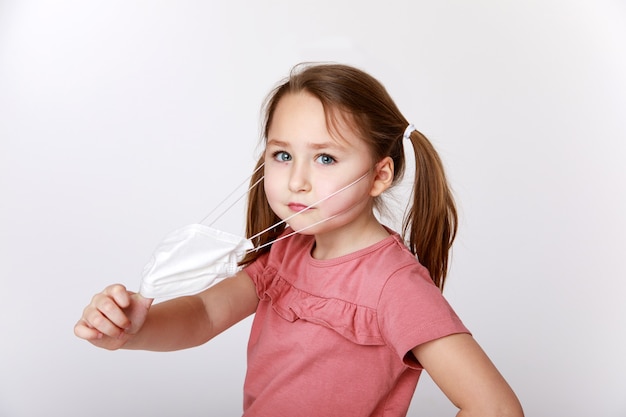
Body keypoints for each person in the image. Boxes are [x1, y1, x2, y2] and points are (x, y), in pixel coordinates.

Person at [74, 63, 524, 416]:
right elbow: (206, 313)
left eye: (326, 158)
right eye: (283, 155)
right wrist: (135, 330)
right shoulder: (285, 250)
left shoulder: (394, 286)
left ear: (380, 175)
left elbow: (496, 407)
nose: (297, 181)